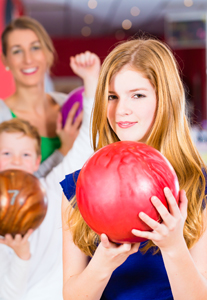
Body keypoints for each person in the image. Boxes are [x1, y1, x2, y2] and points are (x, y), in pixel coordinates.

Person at [61, 39, 207, 300]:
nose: (121, 110)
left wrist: (173, 247)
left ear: (165, 100)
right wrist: (103, 263)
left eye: (137, 95)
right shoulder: (77, 188)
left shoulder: (198, 186)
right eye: (112, 97)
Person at [0, 52, 100, 300]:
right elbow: (10, 293)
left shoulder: (54, 188)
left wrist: (91, 79)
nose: (15, 161)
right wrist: (22, 254)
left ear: (37, 161)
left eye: (25, 155)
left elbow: (88, 139)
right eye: (6, 153)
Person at [0, 16, 95, 177]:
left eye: (35, 48)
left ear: (48, 53)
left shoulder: (67, 104)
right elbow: (3, 184)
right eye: (17, 51)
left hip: (77, 201)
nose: (28, 59)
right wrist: (63, 152)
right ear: (5, 60)